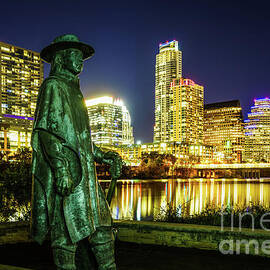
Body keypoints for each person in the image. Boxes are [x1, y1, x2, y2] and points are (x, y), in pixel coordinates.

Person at [30, 34, 122, 270]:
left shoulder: (75, 92)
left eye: (82, 55)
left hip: (87, 180)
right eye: (75, 54)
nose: (80, 59)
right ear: (61, 58)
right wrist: (60, 169)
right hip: (70, 175)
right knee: (66, 234)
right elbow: (47, 132)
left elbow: (82, 140)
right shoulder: (53, 86)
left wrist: (105, 155)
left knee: (102, 229)